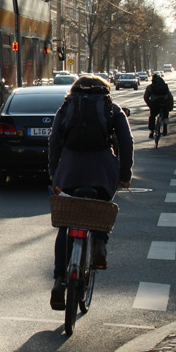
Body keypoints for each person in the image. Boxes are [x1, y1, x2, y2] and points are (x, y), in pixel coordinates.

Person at [48, 75, 134, 310]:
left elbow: (54, 141)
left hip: (70, 171)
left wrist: (55, 173)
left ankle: (58, 280)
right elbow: (126, 142)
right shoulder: (112, 109)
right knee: (102, 206)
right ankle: (99, 242)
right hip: (102, 172)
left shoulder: (65, 108)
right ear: (105, 91)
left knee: (66, 223)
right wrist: (124, 174)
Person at [143, 73, 174, 138]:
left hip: (155, 104)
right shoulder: (165, 86)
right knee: (165, 116)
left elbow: (146, 97)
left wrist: (150, 104)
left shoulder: (150, 87)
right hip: (164, 103)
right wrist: (170, 106)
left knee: (152, 116)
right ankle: (165, 129)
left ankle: (151, 132)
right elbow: (170, 97)